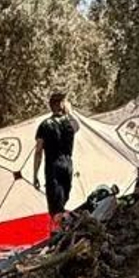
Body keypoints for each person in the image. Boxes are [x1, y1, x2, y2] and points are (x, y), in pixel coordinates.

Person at [30, 90, 79, 218]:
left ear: (51, 106)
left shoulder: (44, 125)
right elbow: (77, 126)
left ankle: (57, 227)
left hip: (53, 167)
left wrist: (35, 175)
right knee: (63, 201)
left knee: (55, 207)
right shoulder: (70, 124)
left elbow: (38, 151)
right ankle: (62, 225)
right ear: (62, 105)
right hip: (68, 165)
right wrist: (69, 111)